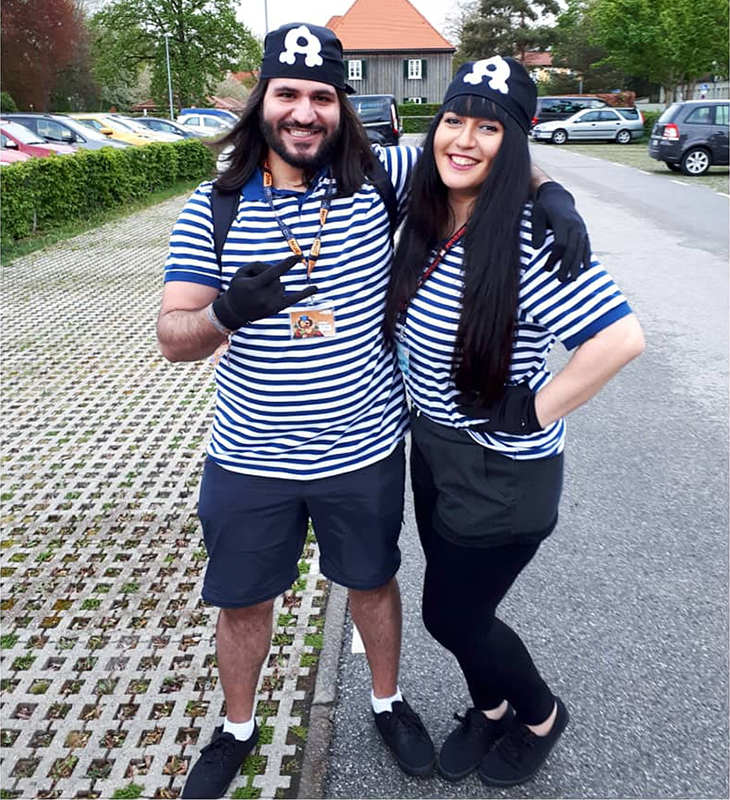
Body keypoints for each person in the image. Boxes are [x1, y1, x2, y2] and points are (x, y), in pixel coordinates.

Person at [157, 22, 592, 798]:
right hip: (250, 458)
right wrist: (226, 311)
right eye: (287, 94)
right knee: (243, 600)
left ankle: (387, 704)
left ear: (341, 106)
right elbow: (173, 337)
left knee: (372, 582)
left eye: (321, 97)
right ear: (262, 101)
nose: (304, 112)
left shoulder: (380, 176)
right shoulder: (212, 207)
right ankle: (238, 728)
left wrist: (550, 192)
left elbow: (476, 149)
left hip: (363, 451)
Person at [384, 56, 645, 788]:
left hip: (502, 470)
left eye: (489, 128)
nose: (464, 139)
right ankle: (490, 707)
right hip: (435, 449)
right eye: (454, 120)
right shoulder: (427, 210)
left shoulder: (534, 238)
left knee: (452, 617)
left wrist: (533, 408)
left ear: (517, 141)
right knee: (462, 604)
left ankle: (539, 715)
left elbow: (620, 340)